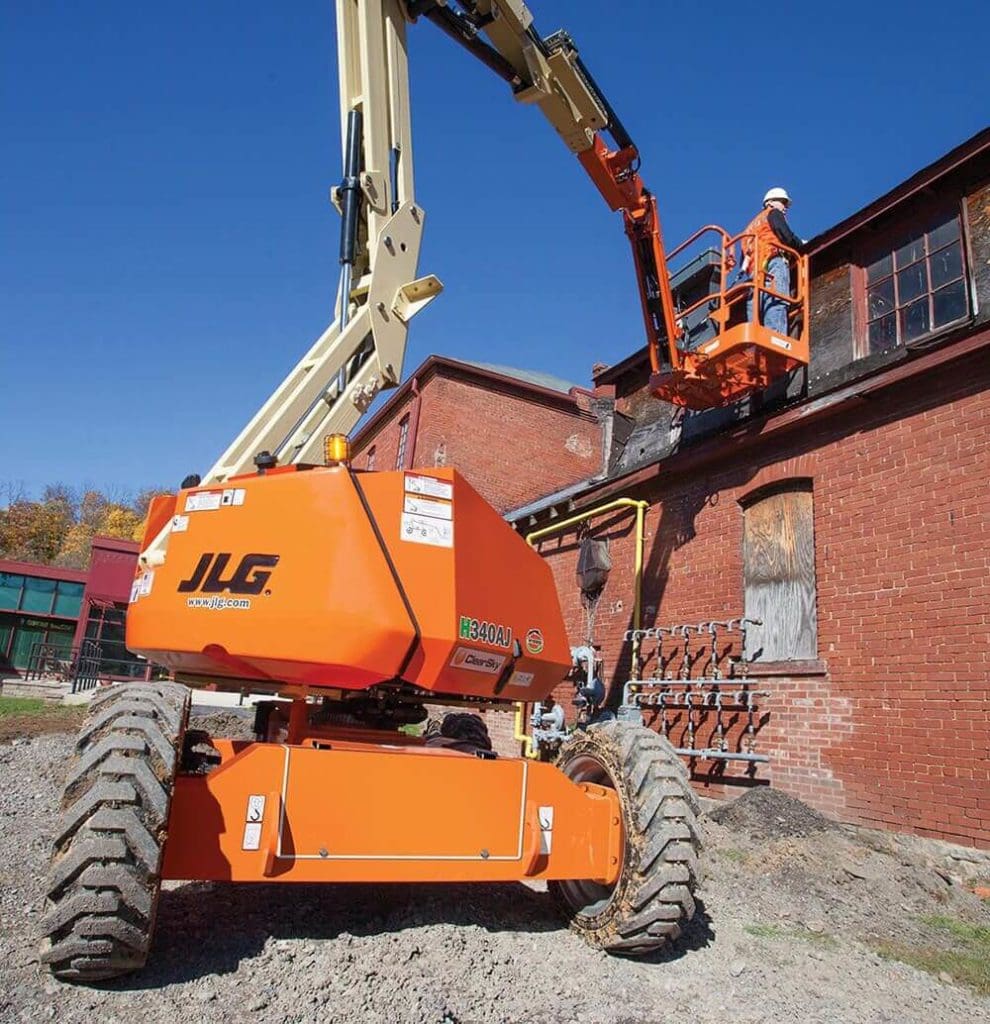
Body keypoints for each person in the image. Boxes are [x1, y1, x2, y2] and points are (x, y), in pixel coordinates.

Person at [740, 187, 803, 335]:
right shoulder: (773, 213)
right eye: (783, 202)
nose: (785, 207)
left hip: (755, 274)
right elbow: (786, 235)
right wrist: (801, 246)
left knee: (755, 308)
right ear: (770, 203)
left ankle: (755, 341)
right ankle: (776, 338)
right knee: (776, 301)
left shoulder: (748, 229)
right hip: (774, 262)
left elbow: (743, 259)